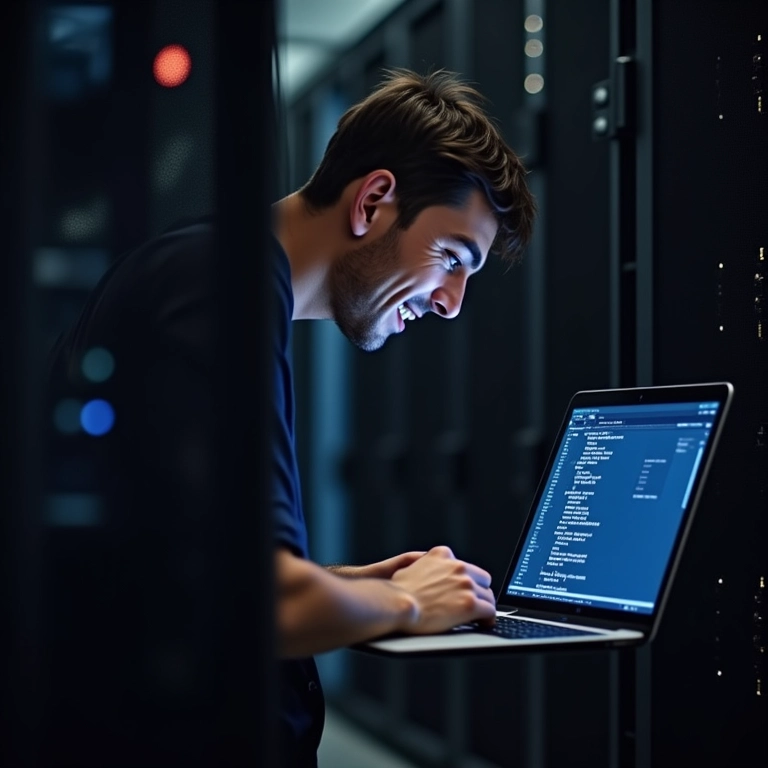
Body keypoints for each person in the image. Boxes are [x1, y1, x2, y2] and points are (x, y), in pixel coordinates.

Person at [48, 69, 535, 766]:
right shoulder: (220, 288)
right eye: (453, 258)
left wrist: (352, 585)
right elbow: (255, 604)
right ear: (373, 200)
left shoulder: (213, 268)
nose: (452, 301)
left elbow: (173, 565)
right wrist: (408, 606)